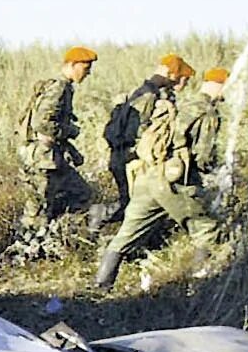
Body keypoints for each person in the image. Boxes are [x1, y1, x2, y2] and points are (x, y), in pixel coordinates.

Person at [94, 66, 228, 289]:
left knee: (126, 235)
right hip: (173, 182)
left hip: (149, 176)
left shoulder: (182, 104)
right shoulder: (207, 112)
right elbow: (203, 157)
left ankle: (100, 285)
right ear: (220, 85)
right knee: (207, 230)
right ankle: (199, 286)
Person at [17, 47, 98, 243]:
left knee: (81, 193)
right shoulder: (59, 87)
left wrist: (71, 150)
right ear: (71, 65)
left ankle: (56, 236)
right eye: (85, 68)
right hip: (42, 158)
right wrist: (70, 131)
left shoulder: (61, 86)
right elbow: (42, 123)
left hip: (51, 156)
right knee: (37, 210)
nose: (88, 73)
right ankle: (29, 250)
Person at [101, 55, 186, 223]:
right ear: (172, 75)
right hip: (129, 158)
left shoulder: (140, 91)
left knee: (130, 206)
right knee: (136, 209)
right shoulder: (148, 96)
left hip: (121, 156)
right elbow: (137, 133)